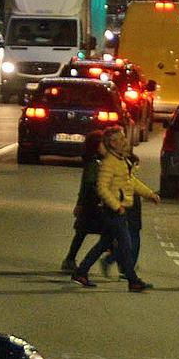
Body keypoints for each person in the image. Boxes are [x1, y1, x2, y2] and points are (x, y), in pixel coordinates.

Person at [75, 125, 157, 291]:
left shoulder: (122, 161)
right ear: (112, 143)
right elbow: (102, 187)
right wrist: (116, 205)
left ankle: (81, 272)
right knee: (126, 245)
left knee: (104, 244)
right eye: (120, 139)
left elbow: (131, 182)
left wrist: (149, 194)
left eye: (123, 138)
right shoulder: (109, 163)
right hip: (113, 212)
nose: (124, 141)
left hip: (120, 209)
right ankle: (133, 281)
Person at [60, 130, 110, 274]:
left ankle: (70, 259)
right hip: (93, 203)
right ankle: (117, 259)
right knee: (108, 232)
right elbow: (88, 184)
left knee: (83, 232)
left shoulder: (96, 161)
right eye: (103, 144)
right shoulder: (94, 163)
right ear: (96, 146)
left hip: (91, 203)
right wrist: (81, 203)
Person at [105, 126, 150, 278]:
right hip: (126, 202)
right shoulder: (119, 160)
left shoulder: (118, 158)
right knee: (132, 236)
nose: (125, 141)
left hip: (123, 202)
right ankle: (124, 268)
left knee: (125, 237)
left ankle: (120, 264)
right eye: (122, 138)